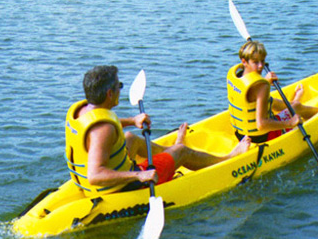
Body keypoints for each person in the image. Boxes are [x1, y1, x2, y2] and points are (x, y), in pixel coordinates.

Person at [65, 65, 251, 196]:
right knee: (182, 151)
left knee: (131, 138)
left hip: (95, 182)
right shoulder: (104, 131)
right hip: (119, 188)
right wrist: (139, 174)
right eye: (119, 86)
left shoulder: (82, 111)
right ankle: (228, 158)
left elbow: (100, 124)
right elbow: (95, 175)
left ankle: (171, 155)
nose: (121, 90)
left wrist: (132, 120)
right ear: (109, 94)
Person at [227, 40, 318, 144]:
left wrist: (265, 81)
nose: (261, 66)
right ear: (244, 62)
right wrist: (290, 123)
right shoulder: (261, 86)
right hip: (263, 137)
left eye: (263, 61)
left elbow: (252, 95)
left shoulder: (236, 76)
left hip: (241, 134)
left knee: (272, 101)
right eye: (255, 62)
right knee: (297, 107)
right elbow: (262, 124)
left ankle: (293, 103)